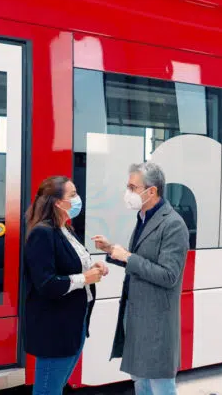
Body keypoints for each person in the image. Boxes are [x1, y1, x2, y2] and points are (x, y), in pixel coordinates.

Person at [92, 162, 190, 395]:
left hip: (156, 318)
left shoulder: (173, 224)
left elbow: (168, 275)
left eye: (132, 187)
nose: (128, 193)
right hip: (137, 314)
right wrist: (112, 250)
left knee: (160, 384)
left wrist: (127, 256)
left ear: (152, 191)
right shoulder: (144, 217)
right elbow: (139, 260)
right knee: (141, 382)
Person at [22, 175, 109, 395]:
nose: (78, 198)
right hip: (55, 328)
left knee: (56, 386)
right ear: (59, 203)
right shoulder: (42, 233)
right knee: (48, 389)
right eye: (73, 195)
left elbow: (71, 265)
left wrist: (94, 266)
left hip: (74, 321)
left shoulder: (66, 230)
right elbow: (46, 284)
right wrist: (85, 278)